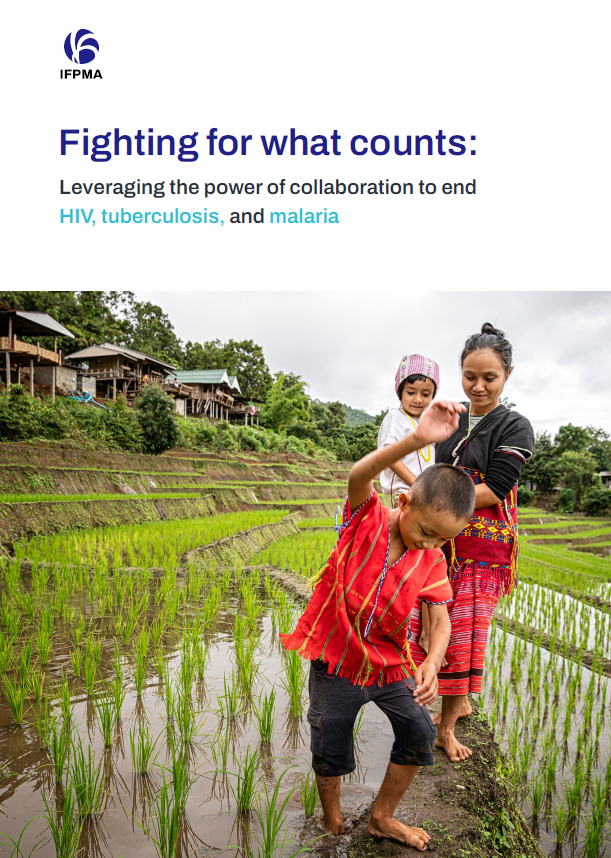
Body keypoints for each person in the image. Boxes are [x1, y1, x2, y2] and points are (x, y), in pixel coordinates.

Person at [281, 401, 476, 851]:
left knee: (420, 731)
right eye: (426, 531)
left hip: (389, 664)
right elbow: (358, 474)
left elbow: (441, 620)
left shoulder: (431, 560)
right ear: (404, 501)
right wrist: (417, 441)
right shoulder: (365, 518)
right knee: (329, 741)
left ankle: (381, 817)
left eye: (444, 539)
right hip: (338, 659)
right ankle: (332, 822)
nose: (431, 544)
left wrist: (432, 660)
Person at [410, 323, 534, 763]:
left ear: (508, 375)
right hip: (439, 541)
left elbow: (495, 490)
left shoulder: (515, 425)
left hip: (480, 552)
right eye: (469, 376)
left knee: (461, 636)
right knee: (424, 627)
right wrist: (430, 515)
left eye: (489, 377)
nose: (478, 386)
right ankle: (441, 705)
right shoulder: (451, 415)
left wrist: (434, 505)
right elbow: (435, 468)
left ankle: (444, 729)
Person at [377, 354, 440, 505]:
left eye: (425, 394)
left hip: (422, 494)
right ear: (400, 391)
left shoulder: (425, 424)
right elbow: (390, 457)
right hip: (403, 495)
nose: (418, 399)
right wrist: (418, 484)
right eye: (411, 392)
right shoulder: (396, 417)